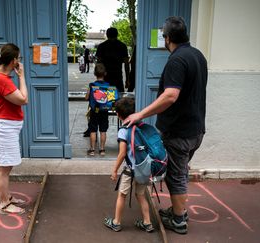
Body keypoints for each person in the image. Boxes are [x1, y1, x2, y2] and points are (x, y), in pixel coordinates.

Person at [124, 16, 207, 234]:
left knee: (176, 176)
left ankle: (179, 219)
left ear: (167, 38)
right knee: (180, 171)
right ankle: (177, 209)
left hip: (179, 132)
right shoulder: (197, 55)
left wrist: (140, 114)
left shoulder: (177, 60)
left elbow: (170, 95)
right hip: (196, 130)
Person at [0, 43, 28, 215]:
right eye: (18, 58)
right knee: (3, 168)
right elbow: (23, 99)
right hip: (2, 129)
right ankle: (4, 204)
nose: (19, 61)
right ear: (13, 61)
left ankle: (7, 197)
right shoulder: (1, 80)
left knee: (7, 165)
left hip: (5, 128)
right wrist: (22, 77)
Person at [103, 97, 154, 233]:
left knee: (122, 195)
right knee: (141, 195)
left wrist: (114, 170)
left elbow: (122, 153)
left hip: (130, 170)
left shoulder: (123, 130)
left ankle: (116, 222)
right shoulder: (140, 126)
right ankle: (147, 223)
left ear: (118, 115)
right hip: (143, 168)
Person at [85, 63, 110, 156]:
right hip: (104, 110)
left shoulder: (91, 85)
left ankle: (92, 150)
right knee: (103, 130)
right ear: (105, 73)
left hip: (94, 111)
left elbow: (86, 98)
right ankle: (102, 150)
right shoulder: (108, 85)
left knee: (93, 130)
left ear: (95, 73)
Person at [96, 27, 130, 92]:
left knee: (105, 98)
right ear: (117, 34)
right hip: (118, 77)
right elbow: (126, 64)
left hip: (105, 77)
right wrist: (127, 80)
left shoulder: (101, 46)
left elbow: (99, 64)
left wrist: (98, 78)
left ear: (107, 35)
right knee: (118, 98)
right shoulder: (122, 46)